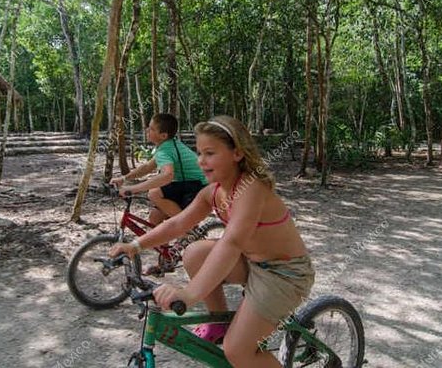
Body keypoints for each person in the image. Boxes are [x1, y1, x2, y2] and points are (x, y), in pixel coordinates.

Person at [110, 115, 314, 368]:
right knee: (194, 252)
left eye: (209, 153)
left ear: (237, 153)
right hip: (252, 263)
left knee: (237, 352)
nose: (201, 161)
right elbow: (176, 224)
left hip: (284, 274)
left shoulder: (252, 189)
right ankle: (218, 322)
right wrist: (135, 246)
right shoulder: (214, 191)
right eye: (198, 153)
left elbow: (231, 244)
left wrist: (189, 294)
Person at [110, 113, 207, 226]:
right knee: (155, 218)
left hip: (198, 186)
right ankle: (168, 241)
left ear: (163, 136)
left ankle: (186, 228)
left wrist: (132, 189)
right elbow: (146, 167)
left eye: (151, 129)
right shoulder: (167, 145)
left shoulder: (165, 151)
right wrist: (124, 178)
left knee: (154, 193)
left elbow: (167, 175)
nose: (147, 130)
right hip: (190, 184)